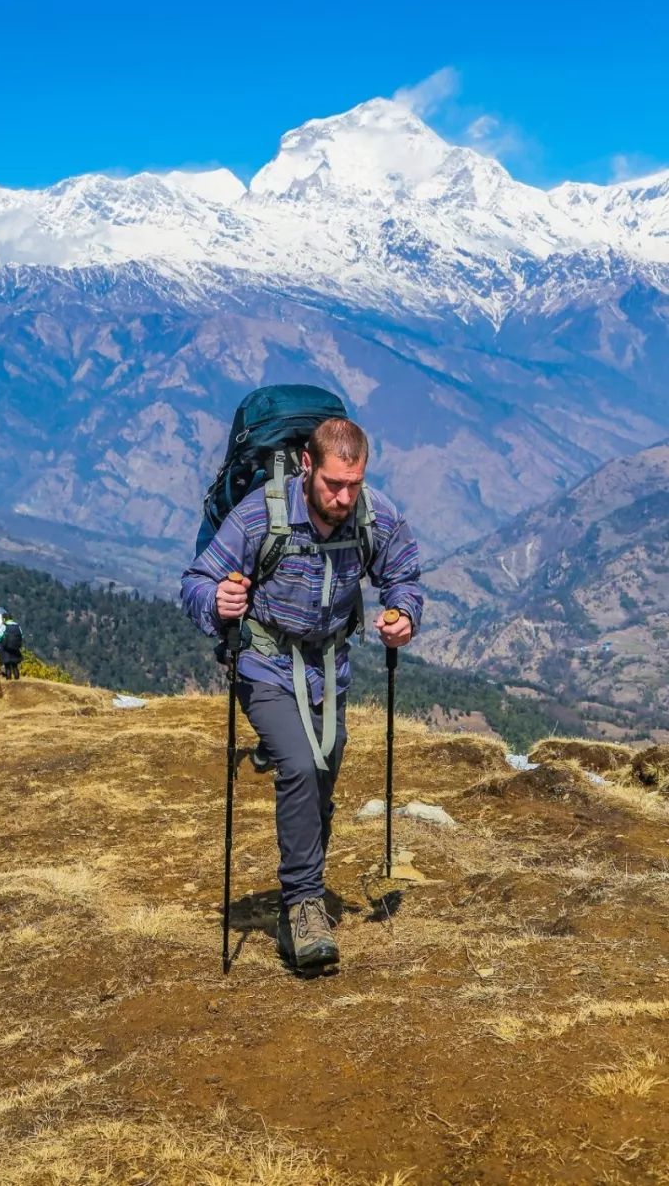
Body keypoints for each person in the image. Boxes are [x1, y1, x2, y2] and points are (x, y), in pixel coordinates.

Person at [181, 417, 423, 974]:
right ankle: (303, 909)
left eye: (354, 485)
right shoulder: (259, 515)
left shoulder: (372, 514)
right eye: (334, 484)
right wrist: (217, 600)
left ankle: (304, 881)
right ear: (308, 466)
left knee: (323, 773)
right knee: (299, 764)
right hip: (264, 664)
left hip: (329, 669)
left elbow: (405, 575)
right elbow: (195, 581)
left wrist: (403, 615)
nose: (343, 498)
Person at [0, 613, 24, 680]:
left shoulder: (4, 626)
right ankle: (17, 680)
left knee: (7, 666)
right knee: (15, 666)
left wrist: (1, 640)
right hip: (15, 648)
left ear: (4, 619)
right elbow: (22, 636)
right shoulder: (17, 626)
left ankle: (9, 680)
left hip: (6, 649)